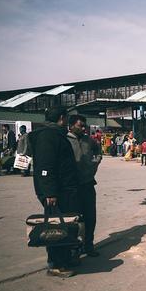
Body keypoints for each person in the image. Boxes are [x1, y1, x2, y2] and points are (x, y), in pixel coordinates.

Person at [29, 107, 80, 278]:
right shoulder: (47, 136)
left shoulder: (55, 134)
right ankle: (56, 264)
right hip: (56, 193)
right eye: (66, 118)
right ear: (62, 118)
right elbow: (45, 167)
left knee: (65, 226)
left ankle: (65, 259)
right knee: (55, 229)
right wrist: (49, 193)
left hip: (64, 190)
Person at [67, 115, 102, 257]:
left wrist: (95, 161)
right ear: (71, 125)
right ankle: (74, 248)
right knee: (74, 219)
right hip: (72, 187)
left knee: (90, 217)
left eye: (84, 126)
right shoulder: (65, 140)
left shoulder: (89, 141)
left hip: (88, 184)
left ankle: (88, 245)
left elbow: (98, 151)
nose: (83, 128)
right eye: (80, 125)